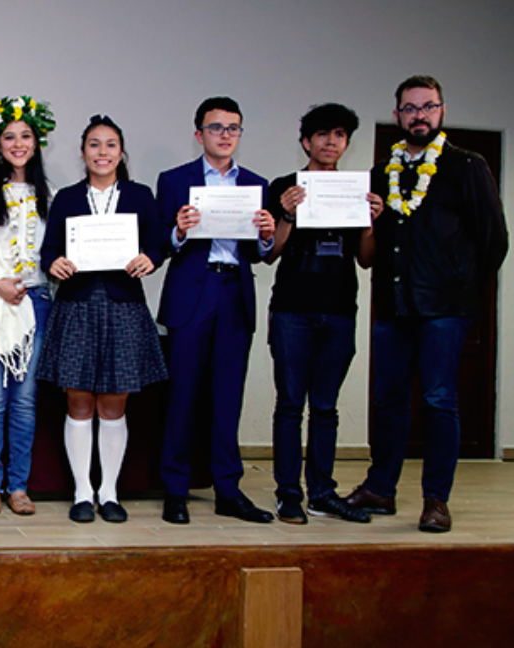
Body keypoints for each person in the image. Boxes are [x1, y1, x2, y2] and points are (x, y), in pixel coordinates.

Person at [345, 76, 508, 533]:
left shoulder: (467, 165)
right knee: (387, 401)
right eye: (410, 108)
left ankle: (436, 499)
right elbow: (370, 247)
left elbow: (494, 238)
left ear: (441, 111)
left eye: (428, 106)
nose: (419, 115)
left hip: (445, 308)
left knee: (439, 401)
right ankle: (381, 488)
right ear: (397, 115)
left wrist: (464, 289)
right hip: (393, 305)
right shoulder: (382, 172)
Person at [37, 115, 167, 524]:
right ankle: (82, 492)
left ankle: (109, 492)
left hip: (123, 305)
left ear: (121, 152)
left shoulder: (141, 195)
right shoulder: (69, 198)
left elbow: (159, 242)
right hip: (77, 304)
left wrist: (152, 257)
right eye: (94, 145)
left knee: (114, 403)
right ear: (82, 152)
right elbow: (50, 248)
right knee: (78, 401)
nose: (103, 152)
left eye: (111, 145)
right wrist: (53, 262)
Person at [157, 97, 277, 525]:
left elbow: (262, 253)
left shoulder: (257, 184)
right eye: (216, 127)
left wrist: (266, 236)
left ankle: (228, 488)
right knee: (182, 395)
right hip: (193, 288)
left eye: (233, 128)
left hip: (234, 291)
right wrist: (178, 230)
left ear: (240, 135)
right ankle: (175, 489)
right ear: (199, 134)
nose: (225, 135)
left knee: (228, 396)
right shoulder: (174, 181)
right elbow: (159, 242)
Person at [265, 103, 383, 525]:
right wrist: (286, 215)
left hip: (338, 311)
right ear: (306, 142)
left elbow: (367, 260)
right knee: (290, 404)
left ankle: (322, 492)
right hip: (292, 309)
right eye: (322, 134)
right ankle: (287, 495)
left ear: (347, 143)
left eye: (339, 135)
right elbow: (268, 253)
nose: (331, 142)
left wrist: (370, 225)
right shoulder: (285, 186)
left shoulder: (357, 188)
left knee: (327, 408)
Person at [0, 96, 56, 516]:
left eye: (26, 136)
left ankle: (18, 485)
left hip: (35, 299)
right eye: (9, 137)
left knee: (24, 398)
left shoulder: (51, 195)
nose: (18, 144)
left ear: (37, 142)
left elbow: (55, 251)